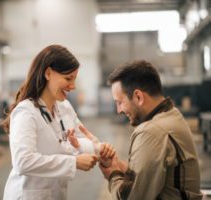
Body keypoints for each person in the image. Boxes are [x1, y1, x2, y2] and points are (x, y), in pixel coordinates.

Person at [2, 44, 114, 200]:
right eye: (68, 78)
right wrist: (73, 162)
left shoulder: (64, 107)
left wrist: (100, 149)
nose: (73, 86)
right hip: (28, 194)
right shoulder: (26, 112)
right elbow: (23, 161)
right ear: (48, 73)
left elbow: (80, 139)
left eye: (74, 79)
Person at [80, 60, 203, 199]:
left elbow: (133, 197)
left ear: (138, 97)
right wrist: (119, 165)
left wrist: (113, 174)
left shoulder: (151, 131)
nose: (119, 110)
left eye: (120, 102)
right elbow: (152, 176)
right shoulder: (171, 114)